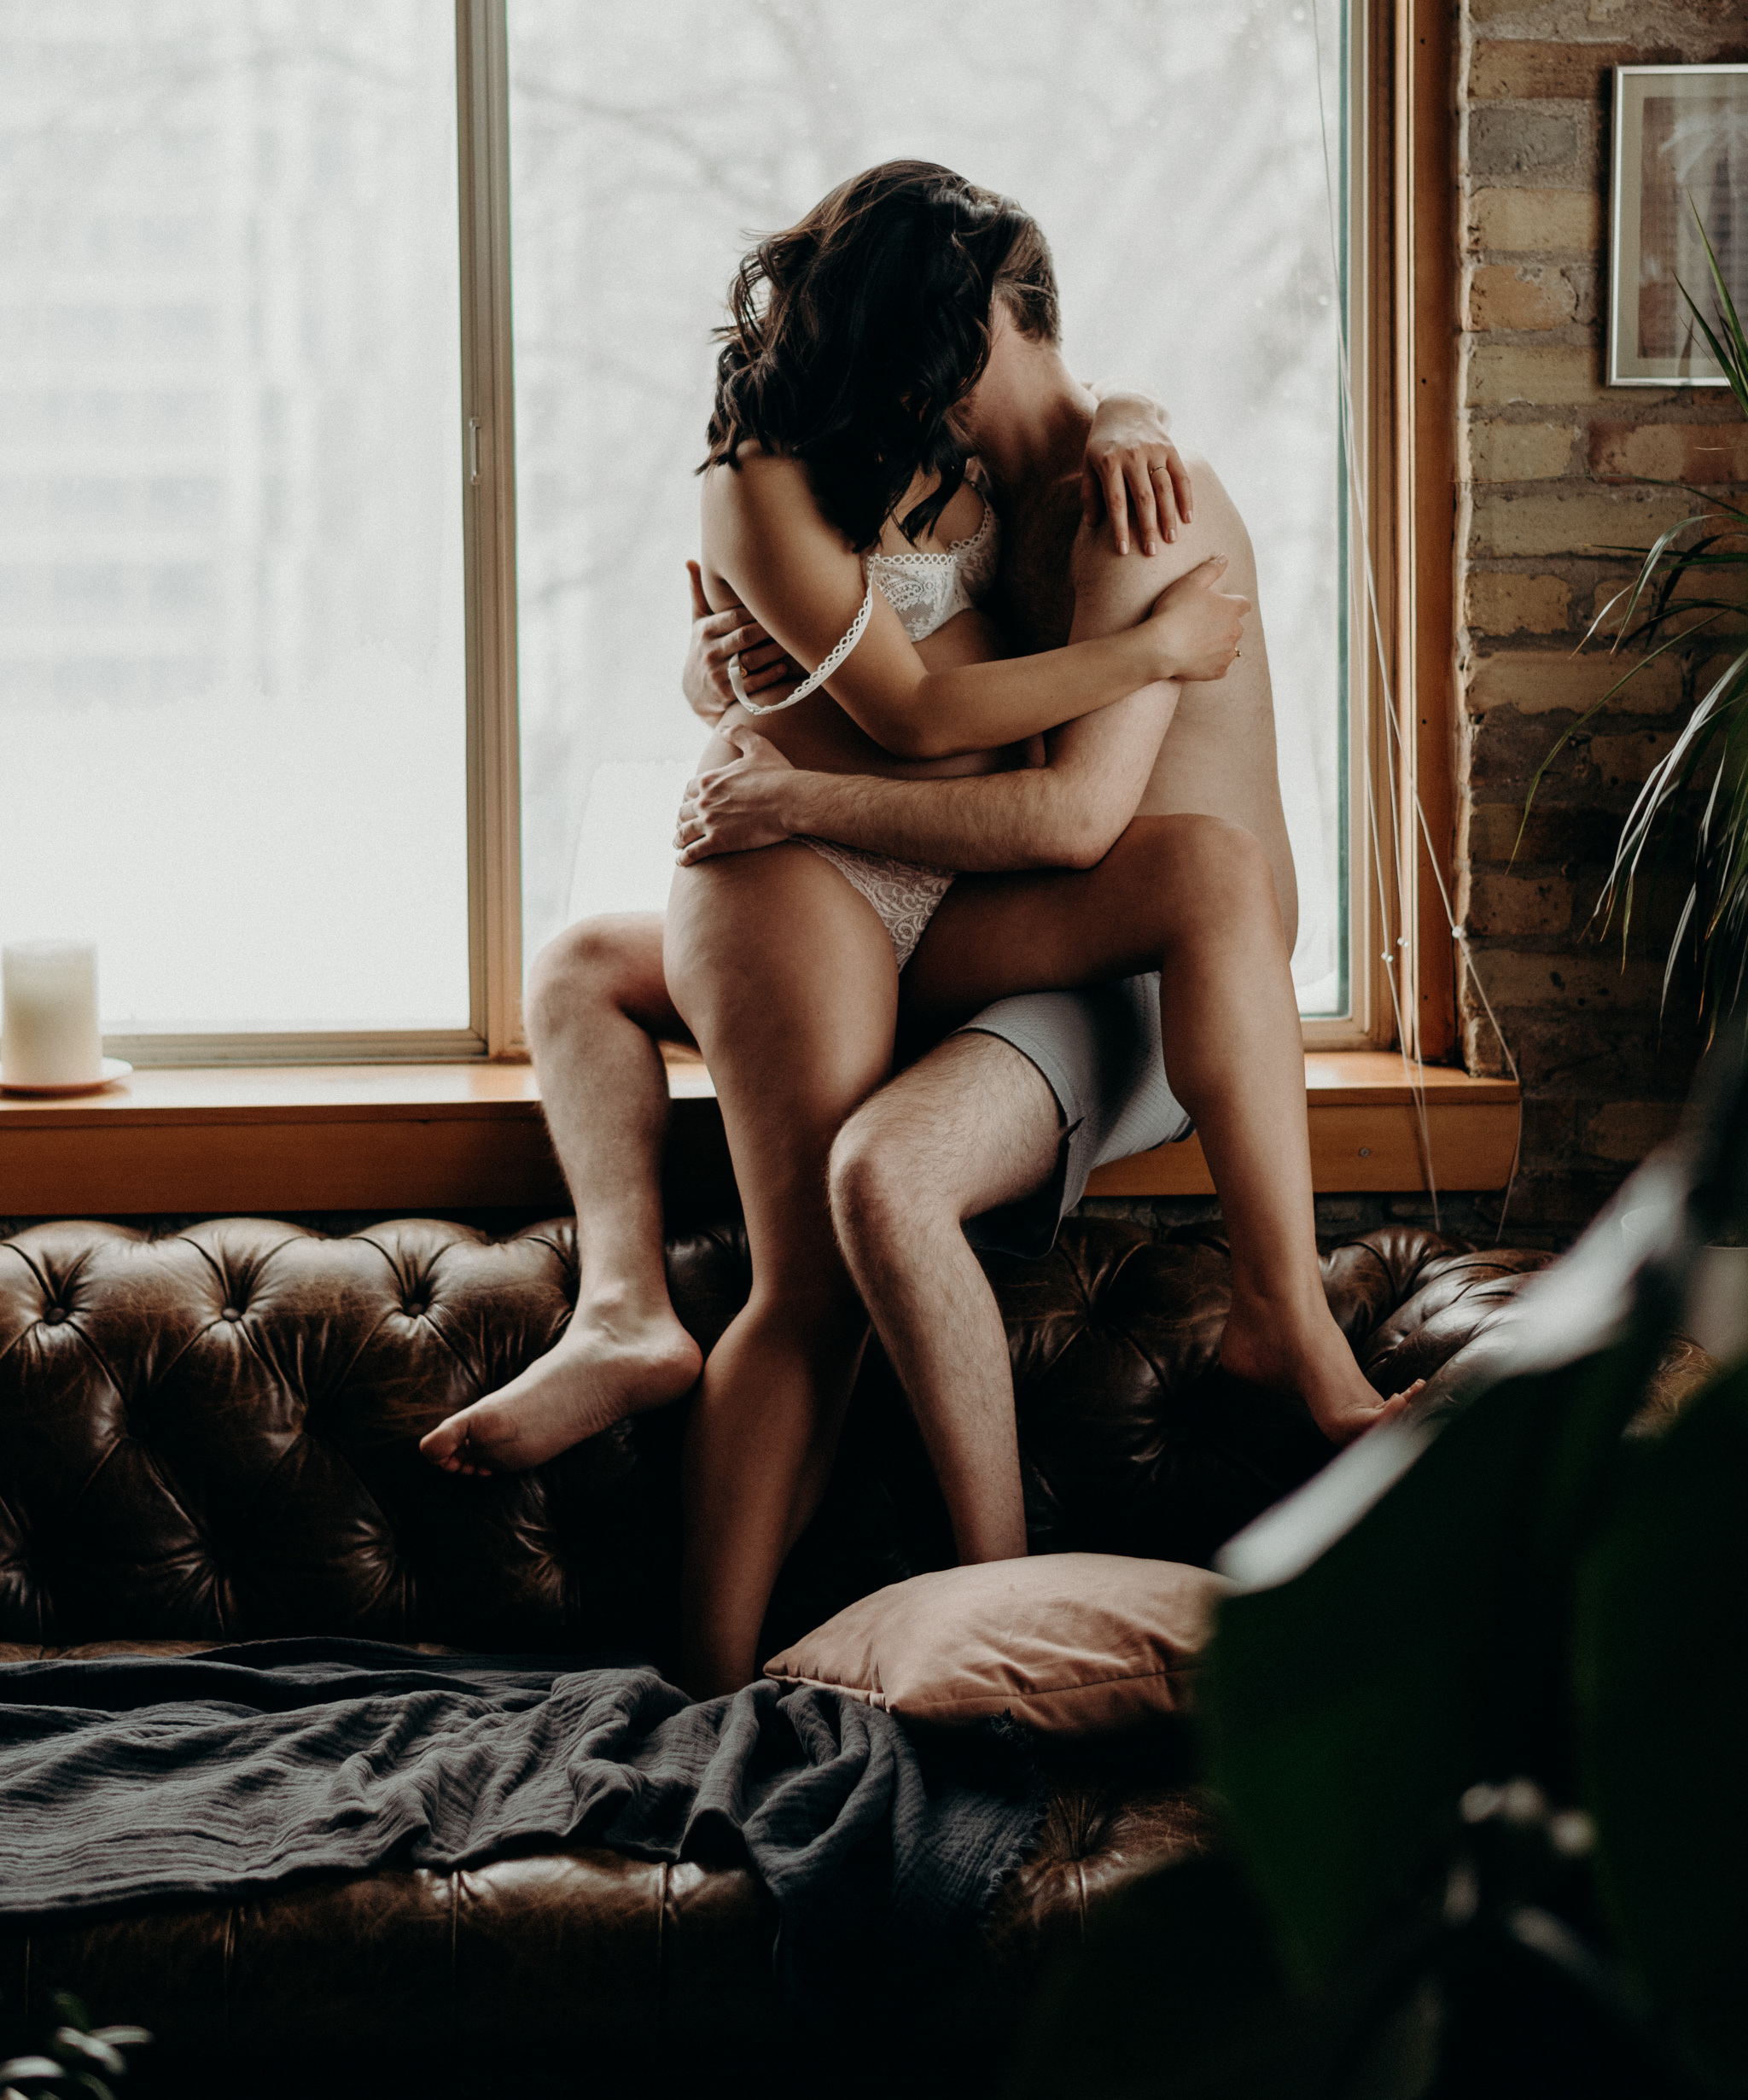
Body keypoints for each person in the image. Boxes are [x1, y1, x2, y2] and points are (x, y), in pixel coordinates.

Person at [424, 161, 1413, 1699]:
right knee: (595, 977)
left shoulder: (1128, 496)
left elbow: (1070, 815)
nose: (904, 384)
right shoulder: (958, 478)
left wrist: (796, 799)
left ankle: (1270, 1344)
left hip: (1120, 944)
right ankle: (647, 1383)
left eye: (926, 347)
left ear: (987, 326)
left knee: (1165, 907)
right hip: (981, 915)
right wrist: (723, 683)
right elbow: (881, 673)